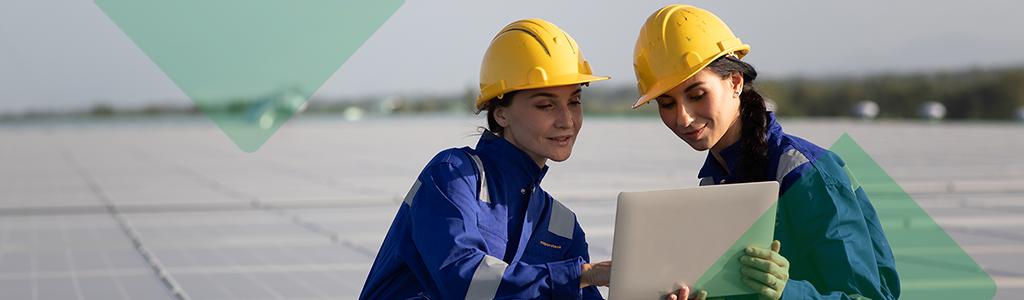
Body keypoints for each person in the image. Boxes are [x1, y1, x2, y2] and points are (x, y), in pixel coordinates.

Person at [631, 5, 900, 300]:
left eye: (697, 95)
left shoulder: (805, 174)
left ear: (735, 82)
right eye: (667, 104)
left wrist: (787, 292)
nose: (683, 118)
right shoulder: (714, 181)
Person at [359, 19, 612, 300]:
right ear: (500, 113)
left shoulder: (562, 225)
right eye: (545, 105)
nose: (567, 121)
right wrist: (582, 275)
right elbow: (462, 280)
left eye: (575, 102)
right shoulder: (453, 176)